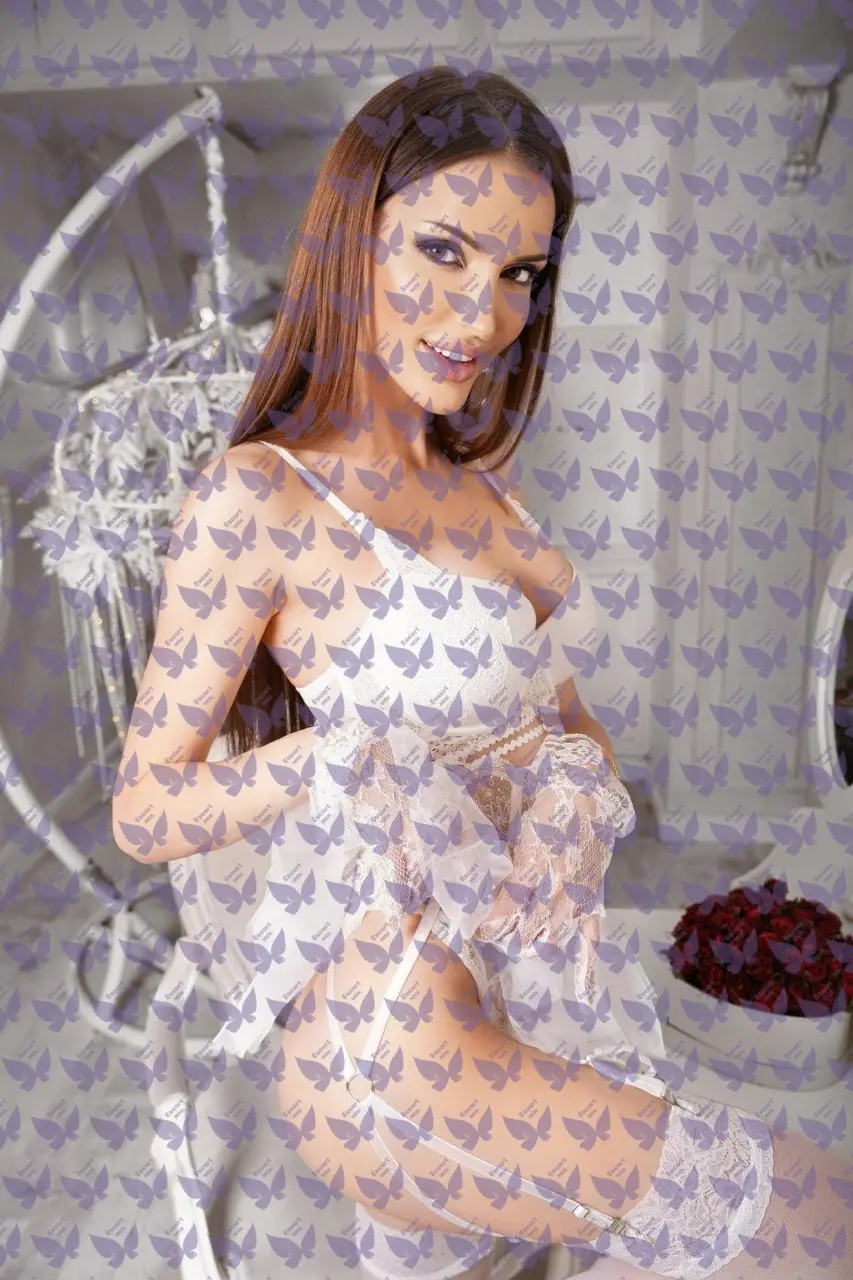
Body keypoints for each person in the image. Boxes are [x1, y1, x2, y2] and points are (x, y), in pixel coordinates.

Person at [112, 67, 852, 1280]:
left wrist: (572, 791)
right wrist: (338, 755)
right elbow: (147, 806)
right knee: (812, 1215)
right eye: (443, 251)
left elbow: (568, 725)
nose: (483, 313)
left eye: (518, 272)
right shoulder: (257, 497)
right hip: (393, 1045)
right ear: (353, 238)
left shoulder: (486, 490)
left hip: (534, 991)